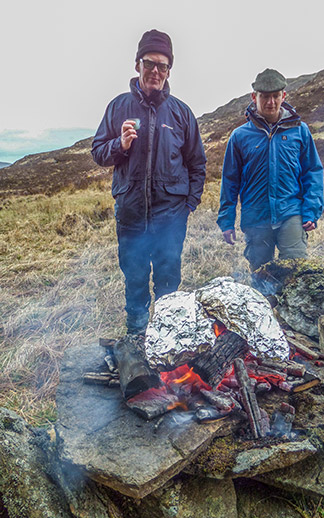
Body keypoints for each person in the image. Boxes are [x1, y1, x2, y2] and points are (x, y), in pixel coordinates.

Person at [92, 29, 206, 335]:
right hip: (130, 214)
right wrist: (120, 145)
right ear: (137, 64)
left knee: (169, 276)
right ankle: (138, 334)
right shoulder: (118, 107)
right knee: (135, 276)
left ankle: (168, 335)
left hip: (171, 216)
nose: (156, 71)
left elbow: (197, 163)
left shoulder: (182, 113)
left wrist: (188, 205)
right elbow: (98, 153)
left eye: (162, 65)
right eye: (149, 63)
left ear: (169, 70)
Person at [217, 68, 323, 280]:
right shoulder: (239, 137)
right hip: (256, 217)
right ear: (254, 97)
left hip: (290, 213)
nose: (271, 102)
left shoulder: (300, 131)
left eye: (275, 96)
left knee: (296, 272)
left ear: (284, 96)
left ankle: (293, 312)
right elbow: (230, 181)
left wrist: (311, 209)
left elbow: (312, 171)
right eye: (265, 96)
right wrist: (226, 220)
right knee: (262, 278)